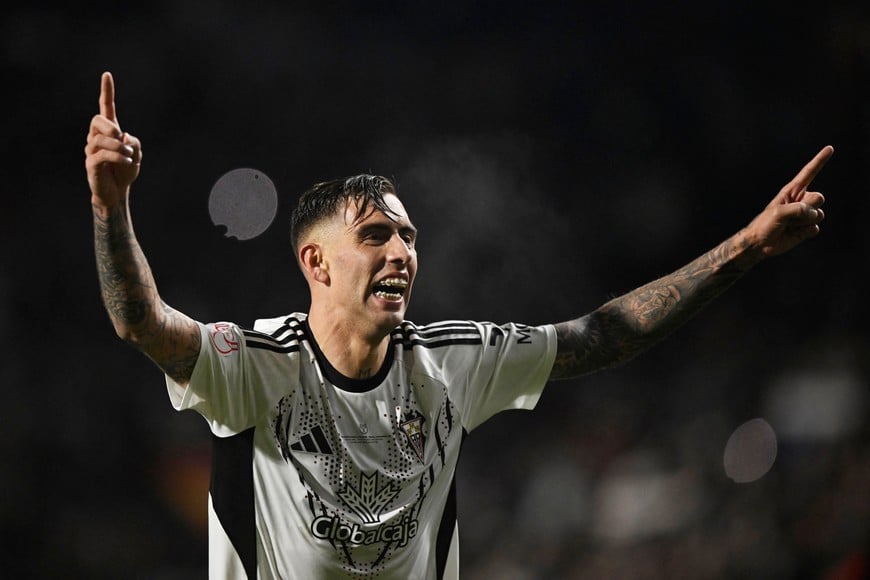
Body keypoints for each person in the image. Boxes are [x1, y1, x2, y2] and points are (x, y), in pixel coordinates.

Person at [85, 70, 832, 579]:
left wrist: (749, 244)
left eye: (409, 236)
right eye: (376, 235)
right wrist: (111, 208)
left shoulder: (452, 362)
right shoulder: (257, 365)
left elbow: (603, 335)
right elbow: (142, 323)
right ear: (316, 263)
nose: (402, 252)